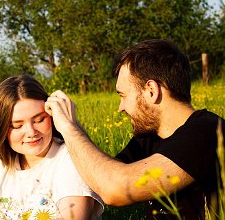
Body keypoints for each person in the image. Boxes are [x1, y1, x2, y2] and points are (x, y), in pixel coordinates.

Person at [45, 39, 225, 220]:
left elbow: (114, 189)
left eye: (123, 95)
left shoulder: (208, 132)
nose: (120, 107)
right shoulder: (150, 136)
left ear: (151, 90)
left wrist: (70, 128)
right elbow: (96, 178)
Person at [0, 74, 103, 220]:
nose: (31, 132)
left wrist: (70, 126)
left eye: (39, 120)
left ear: (52, 117)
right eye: (17, 125)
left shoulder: (70, 157)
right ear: (1, 128)